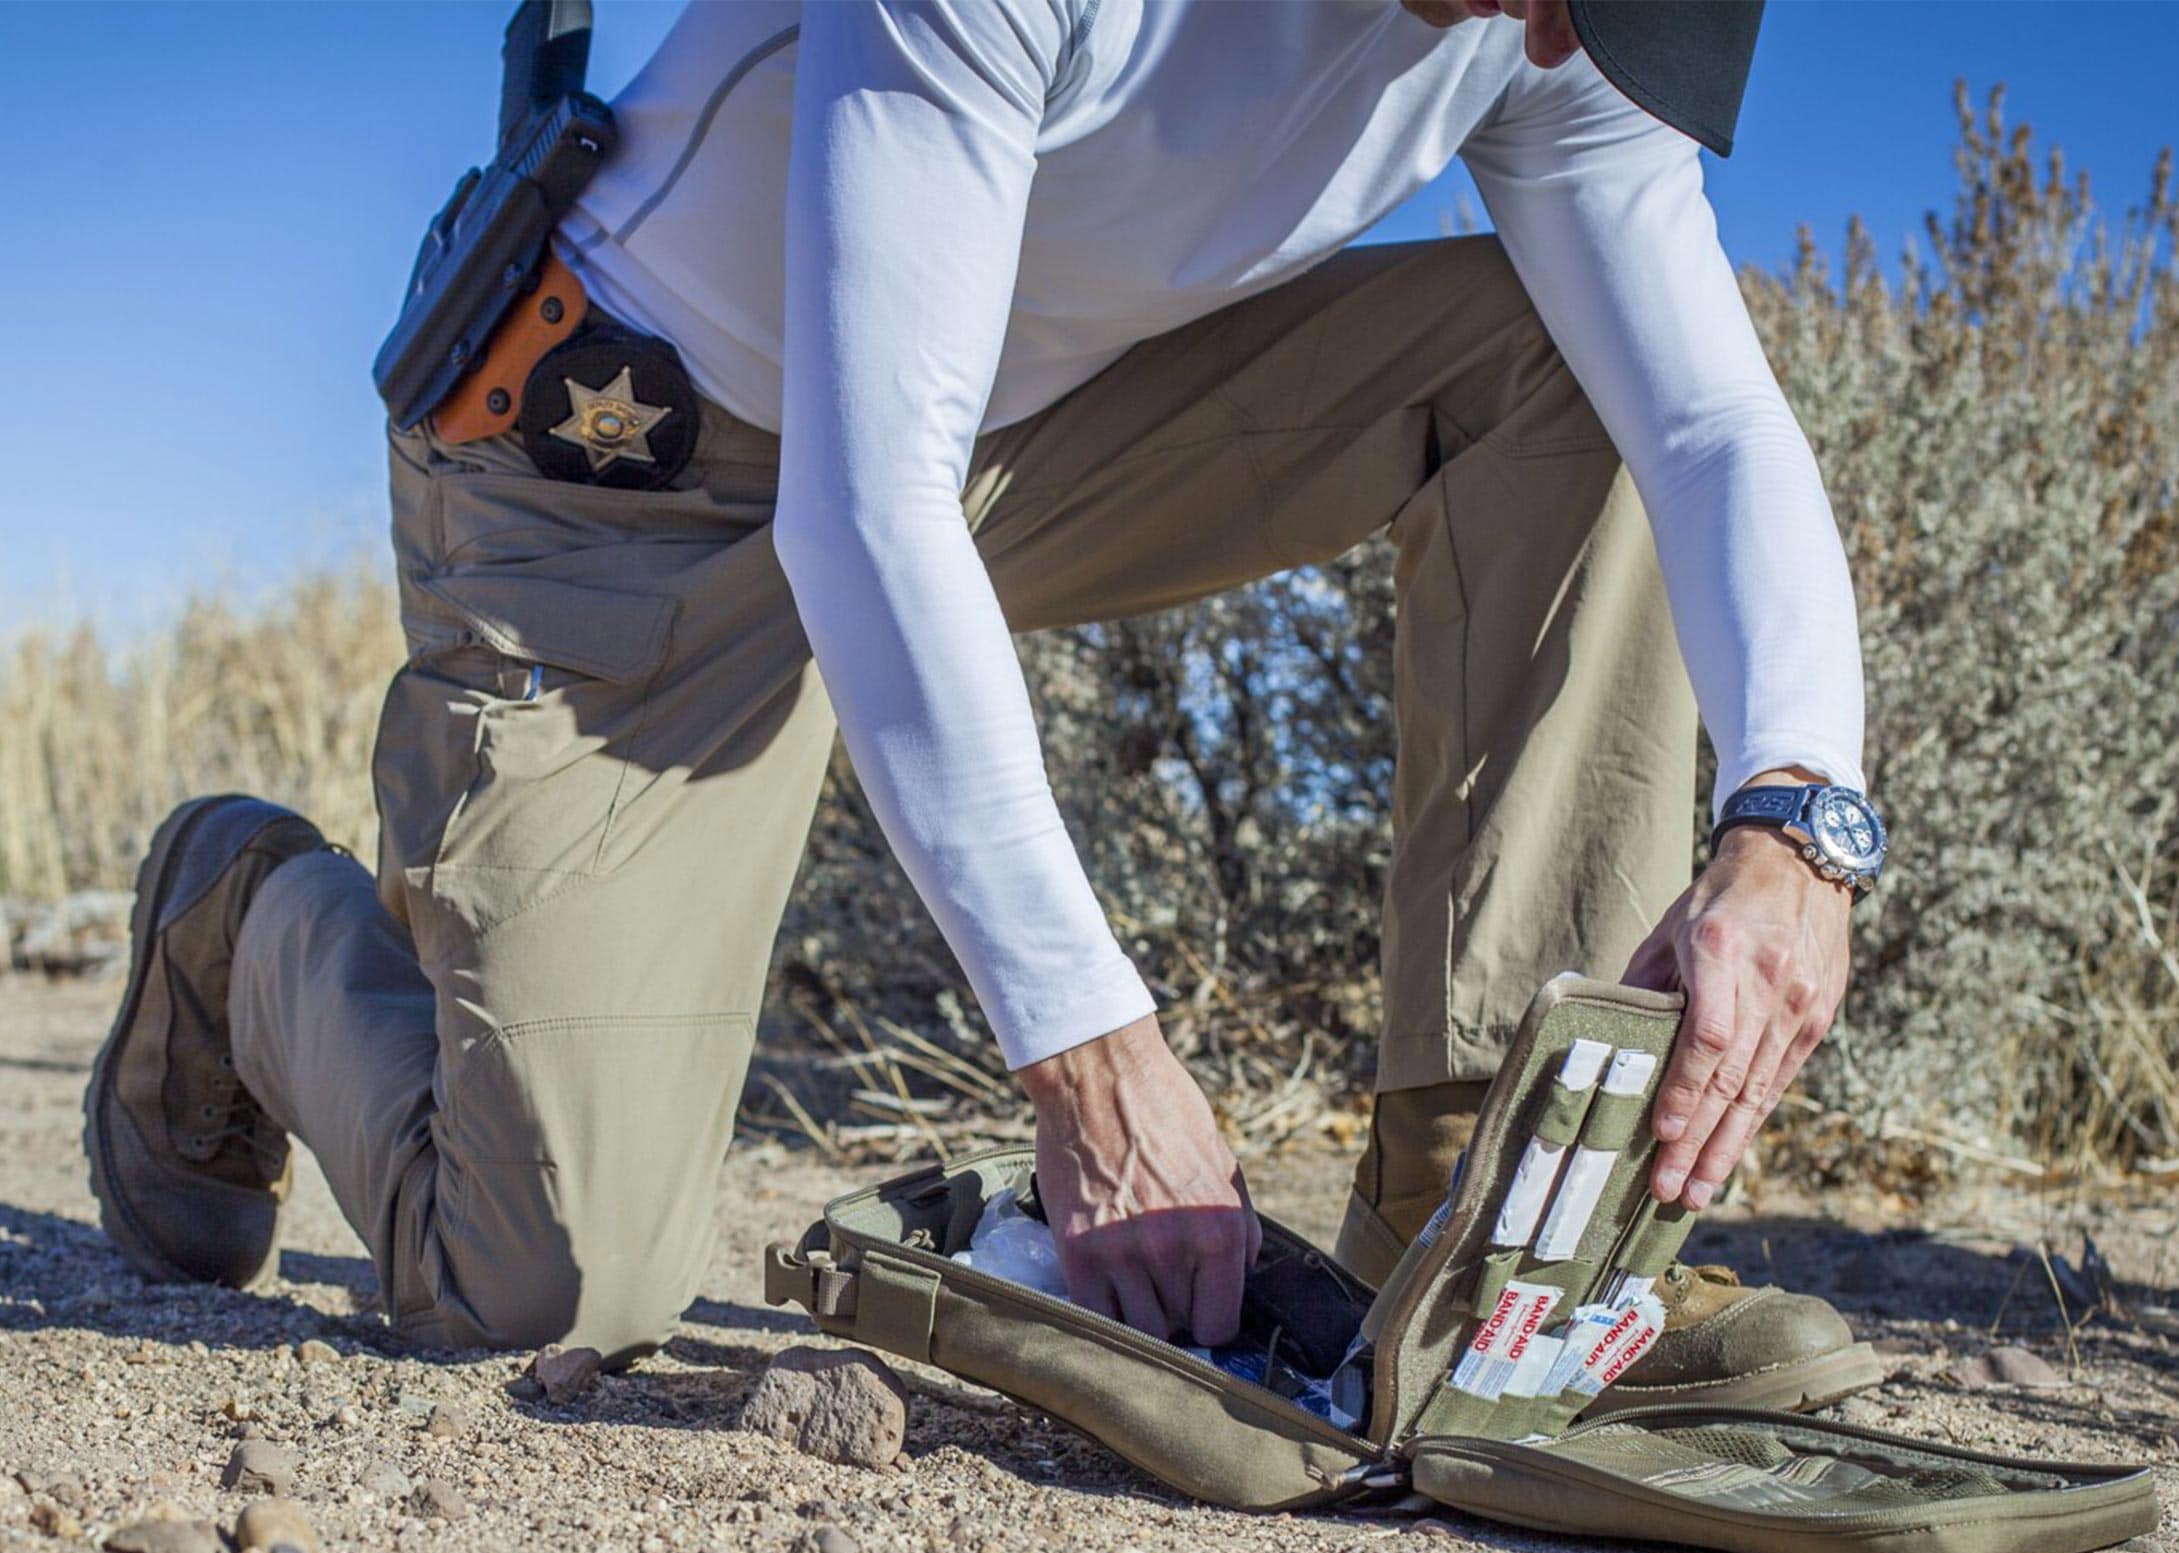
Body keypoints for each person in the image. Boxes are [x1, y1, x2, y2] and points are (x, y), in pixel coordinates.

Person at [85, 0, 1886, 1416]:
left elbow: (1705, 422)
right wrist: (1092, 1056)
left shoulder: (1553, 34)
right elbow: (857, 511)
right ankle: (244, 921)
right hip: (627, 496)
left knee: (1560, 374)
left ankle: (1483, 1238)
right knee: (544, 1289)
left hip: (997, 448)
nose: (1562, 38)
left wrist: (1799, 816)